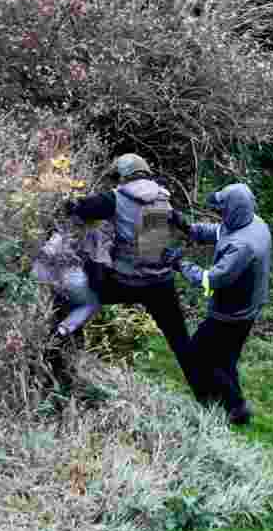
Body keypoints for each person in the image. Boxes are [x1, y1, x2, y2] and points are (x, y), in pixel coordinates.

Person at [62, 154, 194, 383]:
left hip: (125, 282)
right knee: (181, 342)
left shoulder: (114, 198)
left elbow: (79, 210)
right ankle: (214, 398)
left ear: (123, 175)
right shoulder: (162, 197)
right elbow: (183, 227)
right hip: (160, 283)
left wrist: (67, 200)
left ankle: (64, 345)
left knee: (78, 293)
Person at [163, 183, 271, 426]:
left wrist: (179, 264)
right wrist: (188, 228)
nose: (220, 214)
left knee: (201, 354)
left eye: (222, 210)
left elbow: (210, 280)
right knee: (225, 359)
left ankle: (228, 406)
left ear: (233, 210)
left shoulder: (243, 246)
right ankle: (234, 407)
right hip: (247, 306)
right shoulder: (254, 223)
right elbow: (219, 232)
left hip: (232, 314)